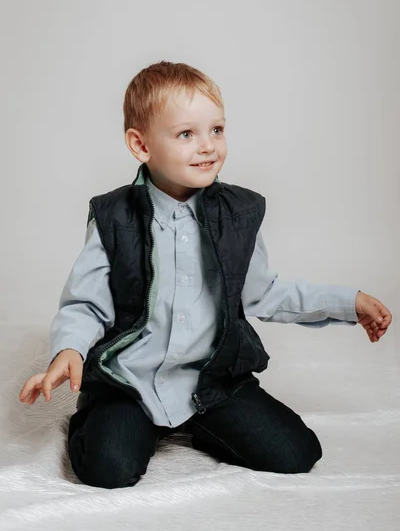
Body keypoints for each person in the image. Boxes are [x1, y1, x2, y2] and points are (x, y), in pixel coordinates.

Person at [19, 61, 392, 489]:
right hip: (130, 384)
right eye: (186, 134)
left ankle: (197, 423)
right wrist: (69, 349)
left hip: (209, 384)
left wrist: (349, 303)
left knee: (296, 453)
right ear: (141, 145)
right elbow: (87, 303)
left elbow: (265, 294)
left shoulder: (237, 215)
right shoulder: (113, 217)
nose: (208, 146)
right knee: (108, 469)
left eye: (216, 130)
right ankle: (112, 420)